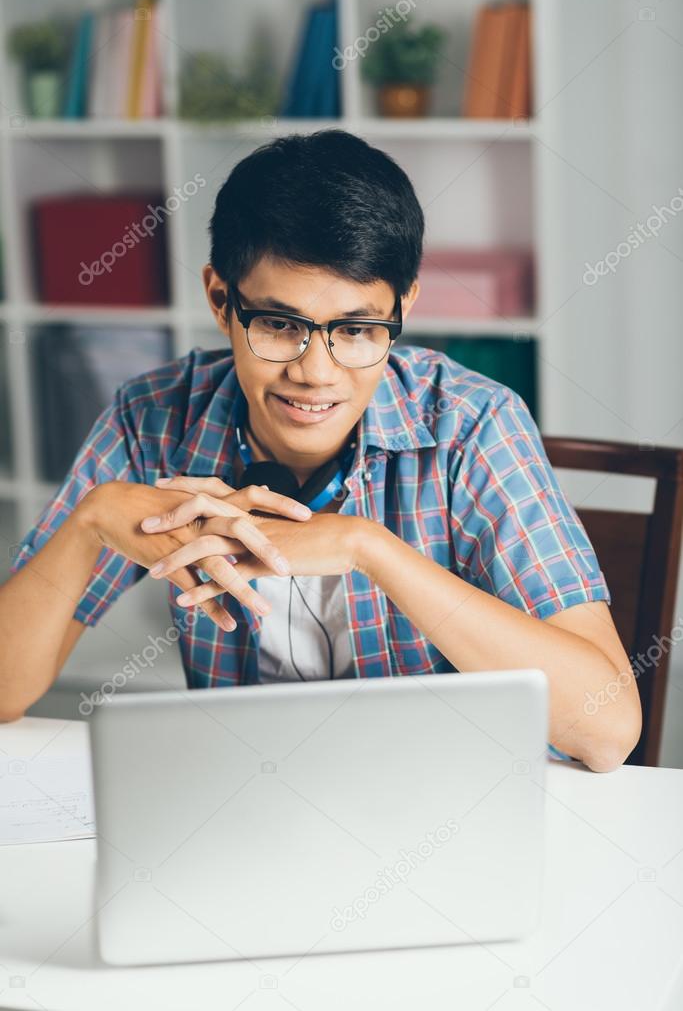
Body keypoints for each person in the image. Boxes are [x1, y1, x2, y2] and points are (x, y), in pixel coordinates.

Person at [0, 130, 641, 771]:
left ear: (404, 307)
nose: (315, 372)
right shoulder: (153, 418)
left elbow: (607, 730)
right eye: (280, 324)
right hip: (243, 802)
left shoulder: (474, 424)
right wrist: (92, 519)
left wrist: (366, 548)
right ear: (222, 301)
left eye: (358, 330)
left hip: (441, 805)